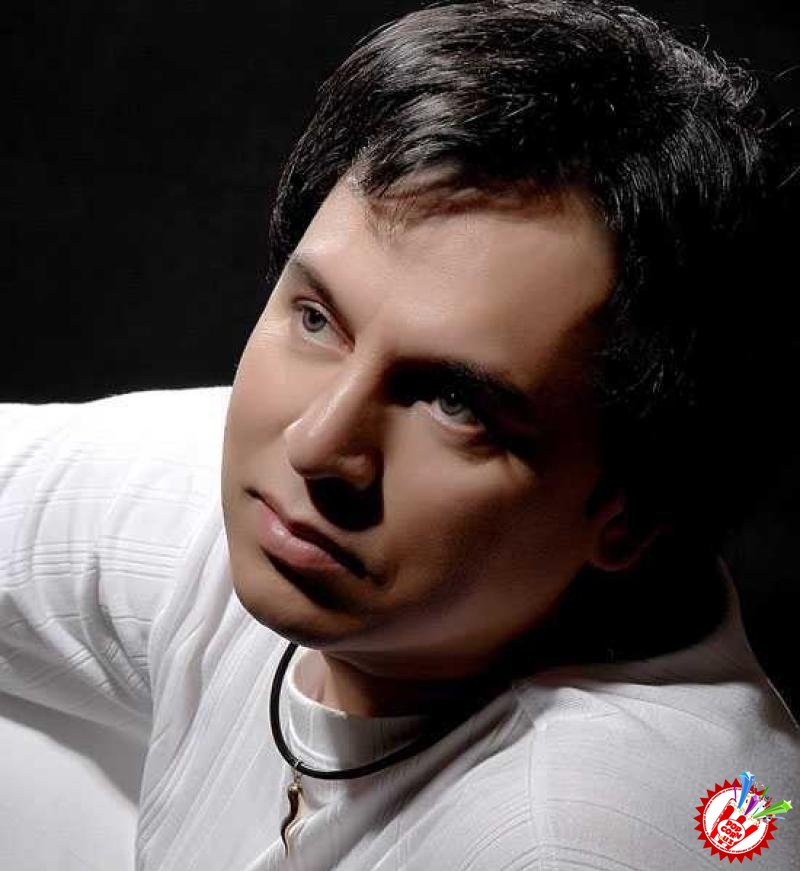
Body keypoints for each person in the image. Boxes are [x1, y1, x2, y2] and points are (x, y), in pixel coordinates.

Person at [1, 1, 798, 869]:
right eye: (318, 319)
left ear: (631, 512)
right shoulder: (275, 518)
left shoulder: (576, 840)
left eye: (454, 402)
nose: (318, 445)